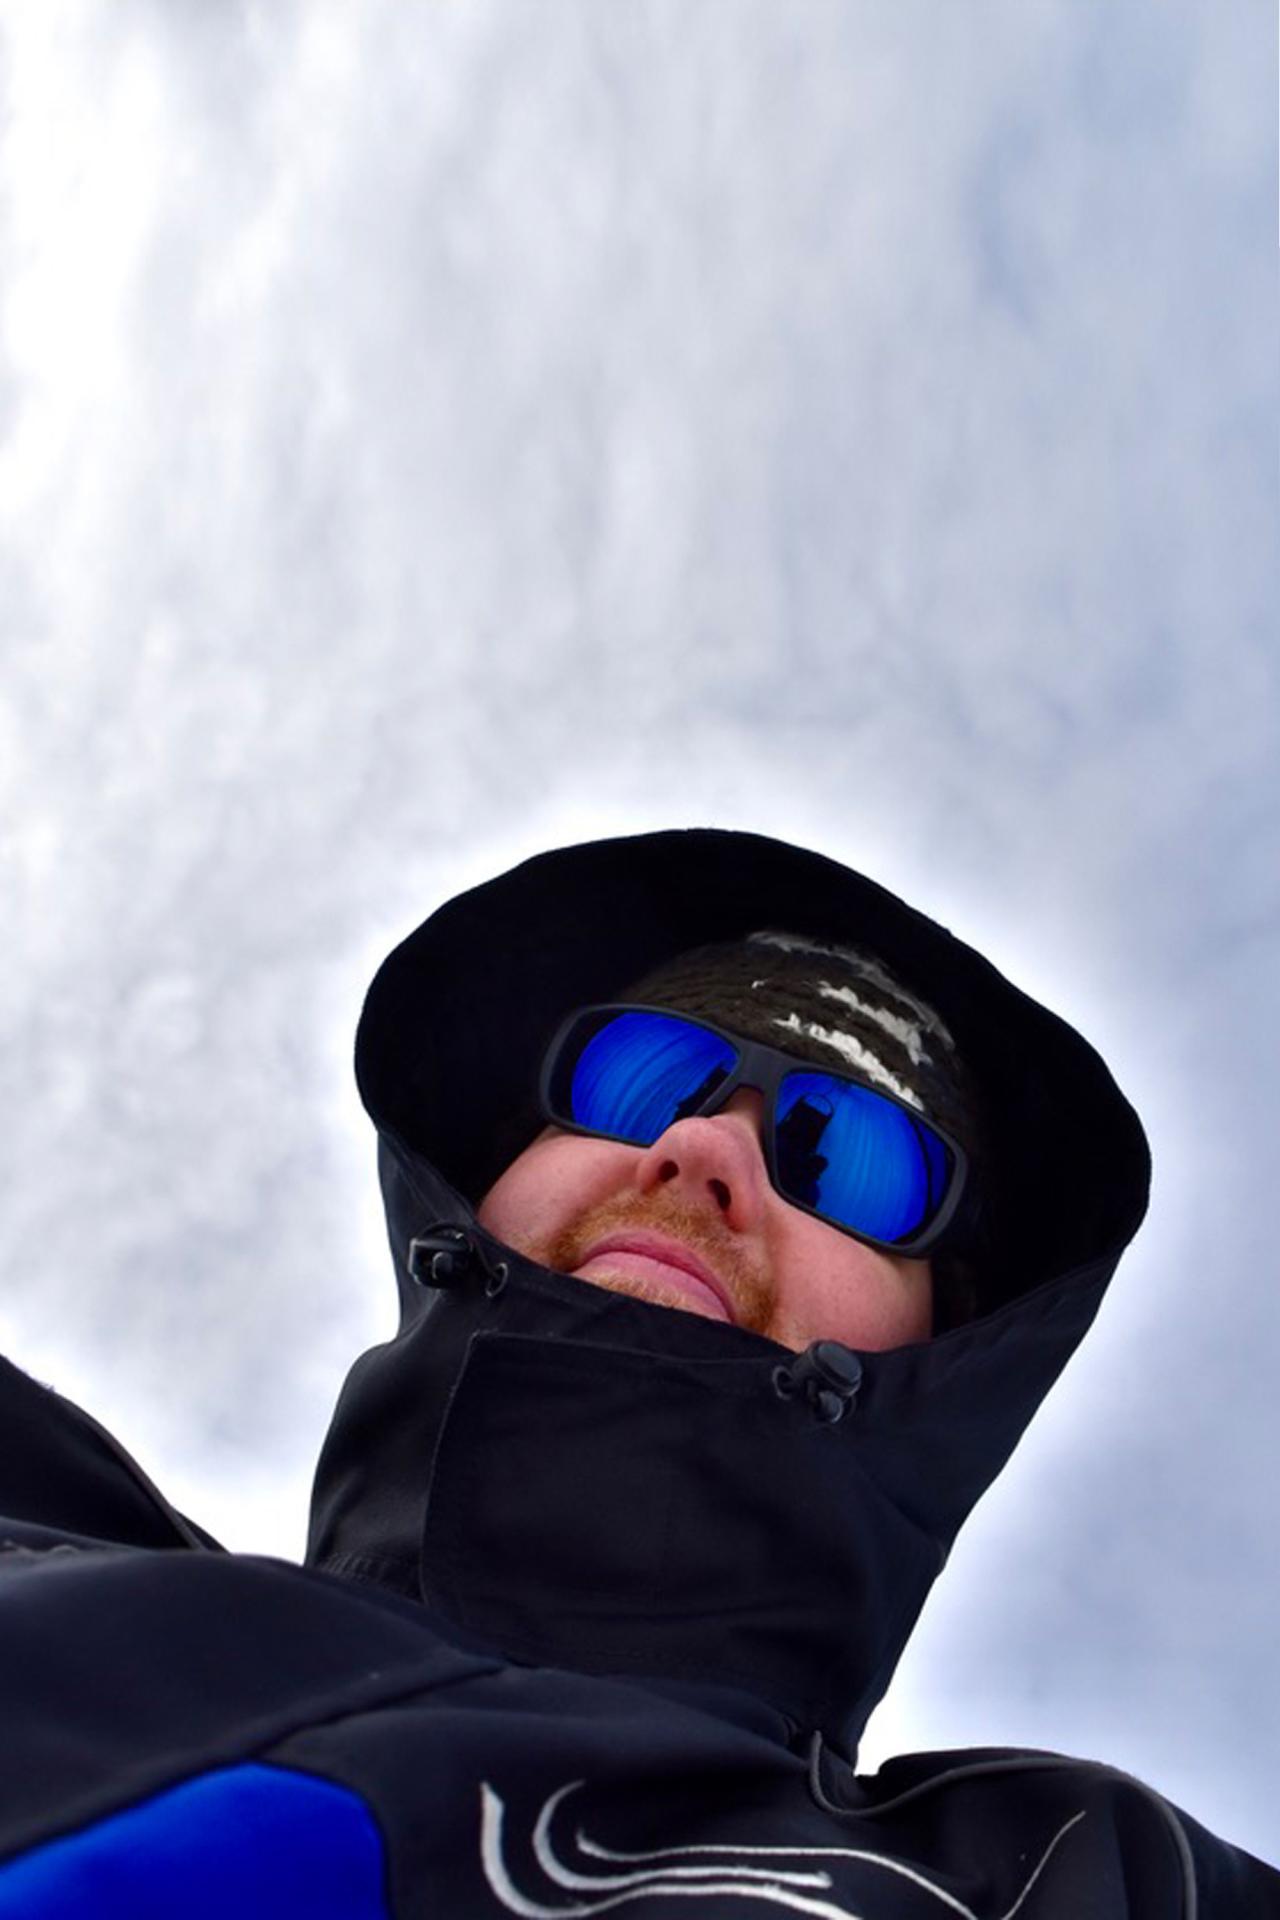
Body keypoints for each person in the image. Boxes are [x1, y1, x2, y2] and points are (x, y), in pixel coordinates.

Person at [0, 826, 1274, 1916]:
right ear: (484, 1184)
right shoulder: (36, 1514)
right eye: (639, 1079)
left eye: (848, 1157)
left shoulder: (1066, 1883)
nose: (700, 1144)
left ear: (941, 1346)